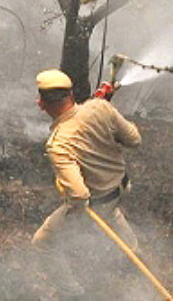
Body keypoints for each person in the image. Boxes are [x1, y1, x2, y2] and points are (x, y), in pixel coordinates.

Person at [31, 68, 142, 249]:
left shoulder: (58, 144)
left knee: (41, 241)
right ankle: (134, 251)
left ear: (41, 104)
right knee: (112, 212)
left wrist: (75, 216)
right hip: (122, 186)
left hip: (100, 201)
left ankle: (66, 278)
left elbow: (79, 196)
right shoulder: (100, 106)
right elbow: (135, 139)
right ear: (71, 95)